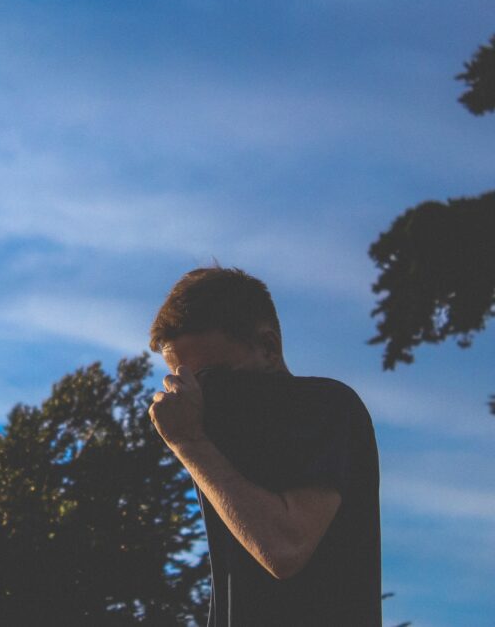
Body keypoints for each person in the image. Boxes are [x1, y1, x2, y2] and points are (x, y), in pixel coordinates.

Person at [146, 266, 381, 627]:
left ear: (269, 349)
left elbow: (285, 549)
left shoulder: (324, 406)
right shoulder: (217, 439)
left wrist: (190, 443)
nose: (198, 397)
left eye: (207, 377)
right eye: (182, 381)